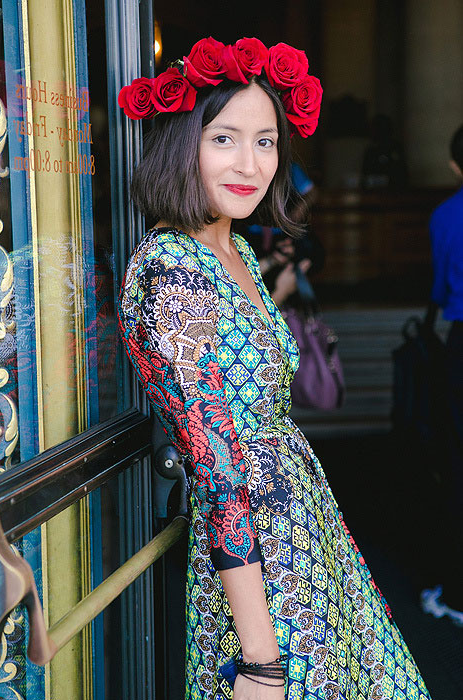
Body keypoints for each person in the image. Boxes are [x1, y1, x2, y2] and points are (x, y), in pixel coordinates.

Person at [117, 37, 432, 699]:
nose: (250, 163)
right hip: (257, 568)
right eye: (225, 138)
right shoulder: (172, 269)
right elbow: (214, 462)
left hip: (300, 530)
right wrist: (258, 657)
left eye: (265, 142)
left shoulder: (230, 249)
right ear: (183, 144)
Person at [421, 124, 463, 626]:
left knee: (457, 464)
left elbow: (437, 286)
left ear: (455, 165)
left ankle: (455, 594)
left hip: (461, 342)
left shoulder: (445, 216)